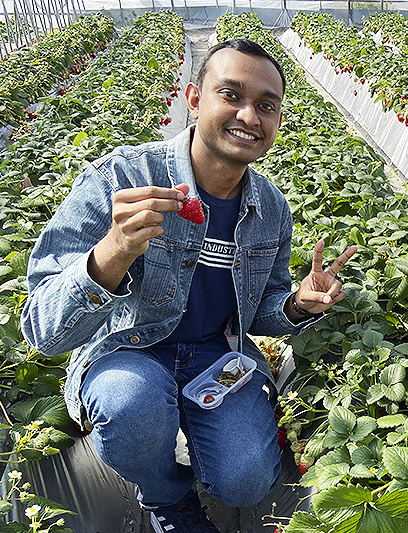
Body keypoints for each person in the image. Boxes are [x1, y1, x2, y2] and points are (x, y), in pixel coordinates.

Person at [21, 39, 356, 533]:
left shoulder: (271, 210)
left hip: (215, 357)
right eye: (232, 95)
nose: (249, 115)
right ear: (194, 100)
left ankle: (202, 451)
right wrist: (114, 251)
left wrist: (298, 305)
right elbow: (42, 331)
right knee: (129, 404)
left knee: (246, 481)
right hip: (127, 350)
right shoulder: (123, 177)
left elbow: (261, 312)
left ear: (278, 119)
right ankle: (167, 499)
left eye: (266, 105)